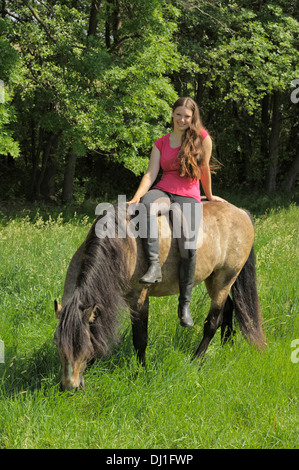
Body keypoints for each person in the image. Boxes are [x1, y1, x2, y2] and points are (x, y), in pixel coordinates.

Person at [128, 97, 226, 327]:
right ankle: (153, 268)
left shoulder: (202, 139)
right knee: (146, 208)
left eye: (187, 116)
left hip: (188, 195)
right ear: (172, 114)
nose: (182, 119)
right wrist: (136, 196)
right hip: (163, 190)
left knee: (188, 245)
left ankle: (184, 305)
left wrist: (209, 197)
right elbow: (151, 174)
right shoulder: (161, 142)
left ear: (193, 118)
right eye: (179, 114)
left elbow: (204, 171)